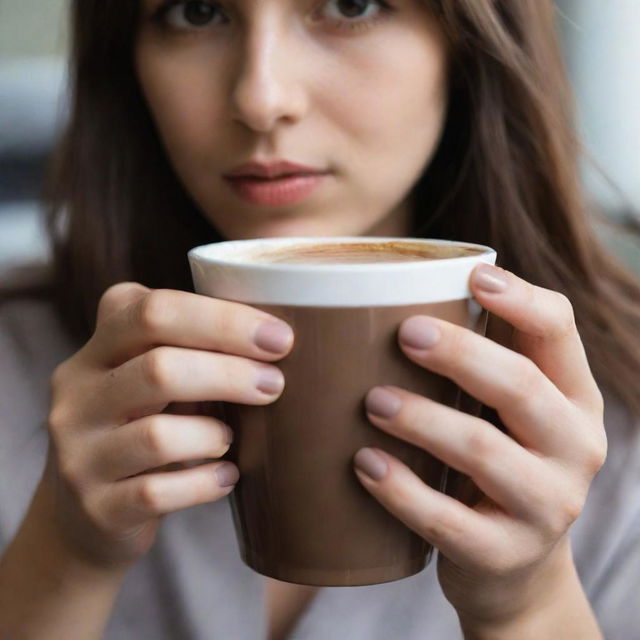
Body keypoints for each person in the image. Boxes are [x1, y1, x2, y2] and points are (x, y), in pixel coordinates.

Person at [1, 0, 639, 638]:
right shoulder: (16, 363)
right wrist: (65, 553)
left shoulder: (622, 409)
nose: (261, 97)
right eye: (195, 12)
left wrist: (527, 605)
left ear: (470, 42)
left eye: (349, 6)